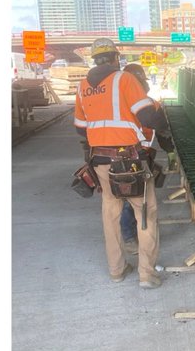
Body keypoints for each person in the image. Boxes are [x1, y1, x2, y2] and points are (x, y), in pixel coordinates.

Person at [74, 41, 166, 287]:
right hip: (130, 161)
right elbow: (146, 115)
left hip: (100, 161)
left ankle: (116, 270)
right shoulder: (124, 80)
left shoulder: (82, 86)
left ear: (95, 60)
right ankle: (146, 274)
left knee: (110, 214)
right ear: (115, 57)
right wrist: (163, 122)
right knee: (144, 212)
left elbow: (81, 128)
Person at [117, 65, 174, 253]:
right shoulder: (150, 104)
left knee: (129, 198)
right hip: (134, 157)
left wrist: (169, 150)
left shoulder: (117, 104)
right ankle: (131, 238)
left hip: (130, 156)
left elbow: (162, 131)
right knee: (135, 199)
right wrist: (170, 151)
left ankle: (131, 237)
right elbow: (163, 132)